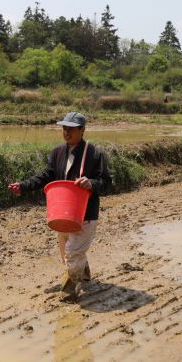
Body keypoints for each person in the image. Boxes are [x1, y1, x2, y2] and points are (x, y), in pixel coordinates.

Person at [8, 111, 111, 300]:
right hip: (63, 212)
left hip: (86, 213)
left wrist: (92, 183)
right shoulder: (58, 152)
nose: (66, 132)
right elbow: (46, 175)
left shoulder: (95, 154)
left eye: (71, 129)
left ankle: (70, 287)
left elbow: (106, 183)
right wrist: (23, 186)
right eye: (64, 128)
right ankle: (83, 270)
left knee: (72, 252)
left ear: (82, 130)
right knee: (67, 251)